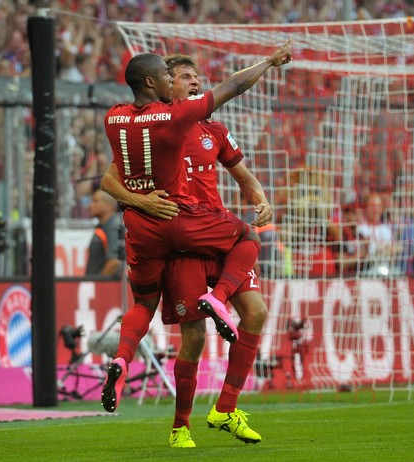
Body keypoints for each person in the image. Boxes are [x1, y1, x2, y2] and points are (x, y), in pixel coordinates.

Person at [98, 40, 292, 418]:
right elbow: (110, 179)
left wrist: (260, 198)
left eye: (194, 76)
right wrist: (268, 62)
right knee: (194, 335)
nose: (191, 81)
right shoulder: (171, 121)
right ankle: (181, 426)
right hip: (182, 230)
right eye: (180, 76)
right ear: (161, 84)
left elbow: (243, 175)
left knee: (254, 312)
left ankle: (225, 407)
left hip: (185, 228)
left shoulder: (206, 129)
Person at [85, 188, 123, 278]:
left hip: (101, 288)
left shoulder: (113, 226)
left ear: (108, 206)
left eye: (95, 201)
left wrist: (98, 283)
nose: (90, 205)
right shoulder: (103, 226)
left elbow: (114, 262)